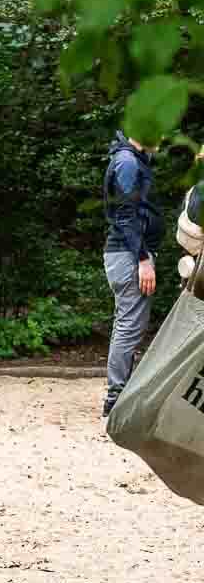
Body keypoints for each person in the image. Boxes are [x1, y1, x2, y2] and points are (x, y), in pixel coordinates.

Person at [103, 130, 164, 418]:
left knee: (126, 324)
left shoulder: (130, 159)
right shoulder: (127, 162)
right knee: (129, 326)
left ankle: (118, 394)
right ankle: (116, 399)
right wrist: (143, 258)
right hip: (128, 255)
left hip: (124, 254)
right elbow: (126, 215)